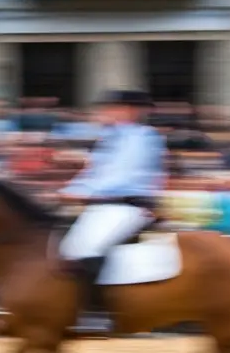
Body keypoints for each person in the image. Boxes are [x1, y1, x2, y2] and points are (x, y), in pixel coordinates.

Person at [58, 89, 165, 332]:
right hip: (102, 204)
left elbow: (121, 175)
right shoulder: (108, 138)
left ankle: (96, 314)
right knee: (60, 244)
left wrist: (82, 191)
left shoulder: (141, 137)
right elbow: (93, 172)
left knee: (85, 248)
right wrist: (70, 189)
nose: (104, 112)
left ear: (129, 111)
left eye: (111, 107)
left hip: (126, 204)